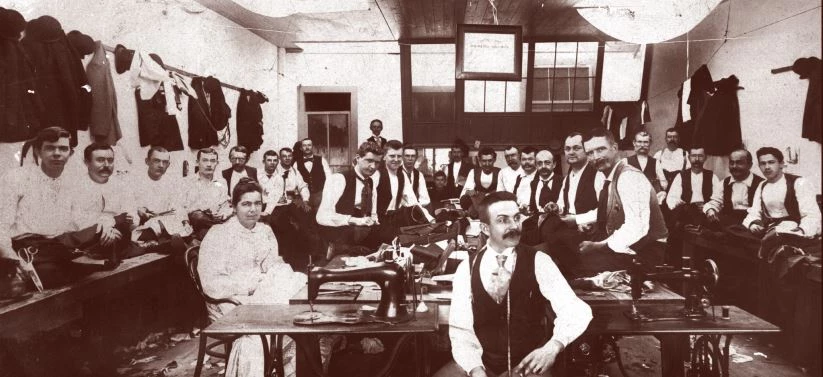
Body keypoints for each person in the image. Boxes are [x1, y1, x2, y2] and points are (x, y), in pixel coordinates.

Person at [435, 191, 592, 377]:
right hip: (481, 364)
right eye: (502, 220)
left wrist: (553, 346)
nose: (514, 226)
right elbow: (461, 330)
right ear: (485, 228)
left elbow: (577, 310)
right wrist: (476, 369)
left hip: (528, 366)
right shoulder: (466, 268)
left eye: (516, 218)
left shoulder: (539, 261)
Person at [198, 179, 306, 377]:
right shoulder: (219, 234)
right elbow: (211, 283)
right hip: (229, 300)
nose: (252, 210)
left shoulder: (264, 231)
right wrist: (253, 283)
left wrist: (272, 276)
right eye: (246, 204)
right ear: (233, 206)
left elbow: (273, 266)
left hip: (262, 294)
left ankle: (286, 369)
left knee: (298, 312)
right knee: (270, 322)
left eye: (257, 203)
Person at [578, 128, 668, 277]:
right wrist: (575, 219)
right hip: (625, 247)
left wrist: (598, 246)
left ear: (614, 148)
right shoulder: (607, 177)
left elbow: (636, 228)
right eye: (590, 153)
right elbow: (608, 209)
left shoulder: (629, 177)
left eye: (601, 149)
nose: (596, 157)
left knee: (575, 265)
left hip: (646, 252)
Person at [316, 141, 393, 257]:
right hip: (340, 233)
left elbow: (373, 214)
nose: (373, 167)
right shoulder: (339, 179)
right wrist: (355, 220)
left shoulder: (370, 182)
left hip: (360, 233)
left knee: (391, 236)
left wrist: (374, 222)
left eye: (377, 163)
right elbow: (321, 216)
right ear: (358, 158)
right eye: (369, 161)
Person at [544, 133, 605, 274]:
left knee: (555, 237)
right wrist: (555, 206)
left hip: (589, 229)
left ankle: (579, 274)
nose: (571, 152)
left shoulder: (597, 174)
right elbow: (562, 204)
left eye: (576, 148)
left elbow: (604, 209)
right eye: (567, 148)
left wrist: (578, 220)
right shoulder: (568, 177)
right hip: (568, 226)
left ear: (586, 150)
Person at [69, 143, 137, 254]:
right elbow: (78, 221)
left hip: (118, 234)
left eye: (110, 160)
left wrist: (119, 224)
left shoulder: (122, 185)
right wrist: (105, 226)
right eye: (100, 160)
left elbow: (131, 215)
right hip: (90, 237)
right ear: (87, 162)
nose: (106, 164)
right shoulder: (76, 187)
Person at [743, 147, 821, 238]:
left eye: (771, 162)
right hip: (770, 229)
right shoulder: (762, 185)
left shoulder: (799, 182)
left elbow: (811, 215)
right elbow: (754, 212)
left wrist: (801, 230)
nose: (767, 167)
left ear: (781, 164)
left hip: (794, 229)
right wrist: (753, 224)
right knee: (734, 232)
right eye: (763, 164)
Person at [130, 146, 188, 237]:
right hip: (145, 223)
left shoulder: (173, 183)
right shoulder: (135, 181)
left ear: (168, 165)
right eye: (156, 161)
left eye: (165, 162)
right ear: (147, 161)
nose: (161, 165)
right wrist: (139, 211)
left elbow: (178, 207)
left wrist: (185, 222)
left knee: (178, 227)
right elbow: (129, 206)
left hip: (167, 222)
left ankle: (165, 242)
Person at [376, 140, 431, 228]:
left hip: (395, 220)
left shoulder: (402, 175)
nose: (396, 160)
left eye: (399, 156)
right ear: (384, 157)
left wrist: (430, 220)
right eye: (392, 156)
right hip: (377, 221)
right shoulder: (377, 174)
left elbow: (412, 201)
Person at [703, 148, 764, 227]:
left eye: (739, 163)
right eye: (731, 163)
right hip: (729, 224)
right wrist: (710, 209)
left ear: (750, 165)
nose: (734, 166)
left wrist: (754, 223)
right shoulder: (724, 183)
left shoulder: (761, 184)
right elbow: (716, 202)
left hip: (751, 224)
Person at [665, 146, 721, 228]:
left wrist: (708, 207)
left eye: (700, 156)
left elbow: (718, 198)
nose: (697, 159)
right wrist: (679, 203)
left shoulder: (712, 176)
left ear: (705, 158)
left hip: (705, 213)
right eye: (693, 156)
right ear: (689, 157)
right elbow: (671, 198)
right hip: (686, 213)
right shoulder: (681, 176)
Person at [184, 148, 232, 239]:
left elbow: (225, 204)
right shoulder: (187, 182)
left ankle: (195, 241)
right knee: (198, 216)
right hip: (195, 221)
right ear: (197, 162)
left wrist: (223, 214)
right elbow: (181, 207)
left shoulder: (221, 182)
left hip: (212, 223)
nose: (209, 164)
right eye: (205, 160)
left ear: (217, 163)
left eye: (213, 161)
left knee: (205, 233)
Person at [460, 147, 502, 216]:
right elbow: (466, 192)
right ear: (479, 160)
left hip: (494, 205)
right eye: (484, 161)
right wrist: (470, 192)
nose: (487, 164)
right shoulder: (473, 172)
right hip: (478, 204)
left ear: (494, 160)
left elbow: (502, 192)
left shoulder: (500, 172)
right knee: (465, 199)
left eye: (490, 160)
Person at [623, 131, 666, 196]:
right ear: (634, 143)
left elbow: (664, 185)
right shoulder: (625, 161)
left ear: (650, 143)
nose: (642, 145)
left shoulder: (655, 162)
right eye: (639, 142)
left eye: (645, 142)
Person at [295, 138, 331, 210]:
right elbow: (295, 182)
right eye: (304, 145)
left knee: (321, 218)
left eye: (309, 145)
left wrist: (327, 194)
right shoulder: (296, 163)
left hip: (320, 196)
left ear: (312, 147)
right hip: (304, 198)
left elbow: (329, 178)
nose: (307, 147)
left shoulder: (321, 160)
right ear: (301, 148)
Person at [401, 143, 431, 208]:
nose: (410, 159)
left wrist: (416, 207)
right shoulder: (396, 173)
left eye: (413, 156)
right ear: (402, 157)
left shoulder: (419, 175)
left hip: (414, 210)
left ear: (416, 157)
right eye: (407, 156)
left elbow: (425, 199)